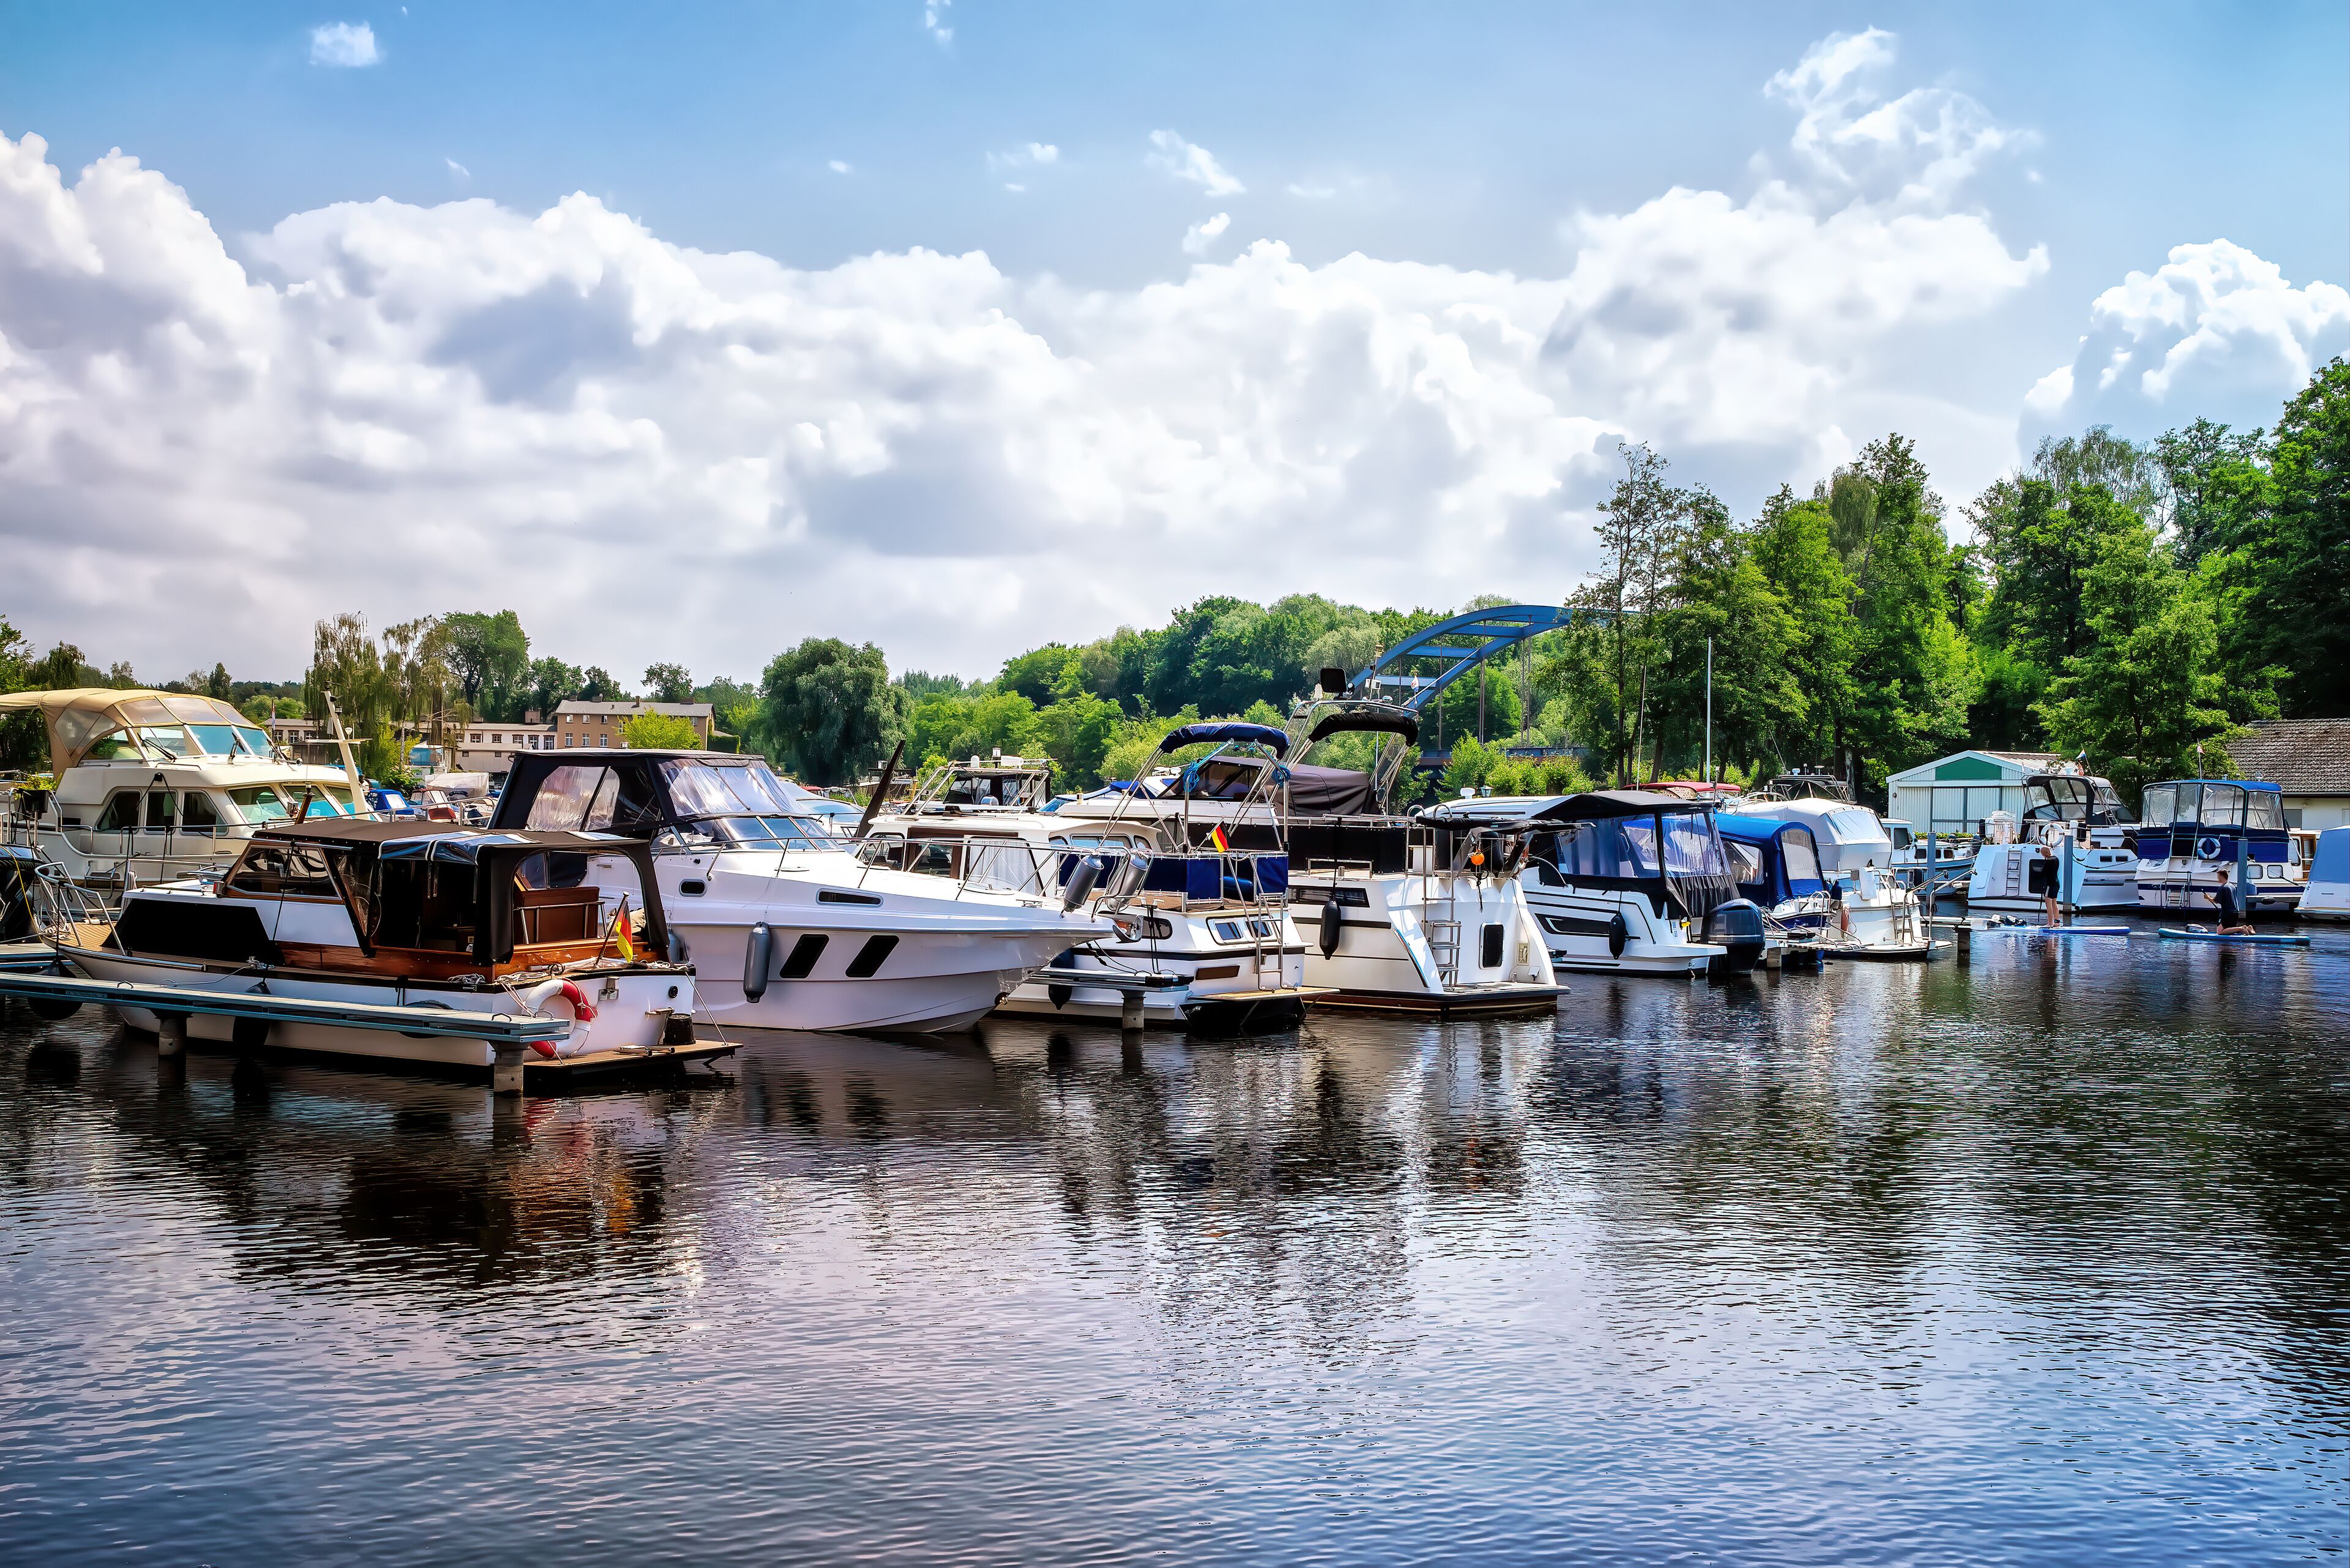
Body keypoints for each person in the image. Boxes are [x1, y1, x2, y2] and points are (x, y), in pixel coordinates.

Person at [2212, 866, 2254, 935]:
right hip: (2235, 912)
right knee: (2230, 929)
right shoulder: (2232, 886)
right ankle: (2248, 928)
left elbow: (2216, 901)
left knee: (2220, 932)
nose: (2217, 878)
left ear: (2222, 877)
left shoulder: (2222, 888)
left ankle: (2242, 928)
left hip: (2227, 913)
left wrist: (2208, 898)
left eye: (2218, 876)